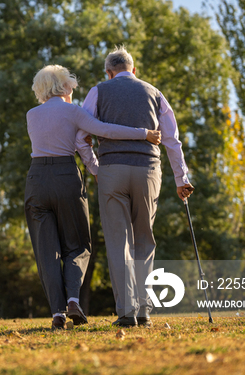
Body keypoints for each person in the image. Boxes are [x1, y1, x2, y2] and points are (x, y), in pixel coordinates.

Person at [25, 64, 161, 330]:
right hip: (66, 177)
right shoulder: (73, 112)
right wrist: (143, 134)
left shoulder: (31, 114)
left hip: (36, 180)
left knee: (46, 251)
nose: (73, 91)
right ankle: (74, 299)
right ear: (64, 87)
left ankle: (57, 313)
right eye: (71, 87)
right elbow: (106, 130)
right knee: (78, 246)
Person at [75, 45, 194, 328]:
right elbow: (172, 140)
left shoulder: (98, 91)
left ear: (109, 72)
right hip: (148, 171)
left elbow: (80, 137)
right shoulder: (155, 93)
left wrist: (95, 169)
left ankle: (127, 312)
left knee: (119, 242)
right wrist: (182, 179)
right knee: (144, 239)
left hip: (112, 171)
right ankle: (145, 311)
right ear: (134, 70)